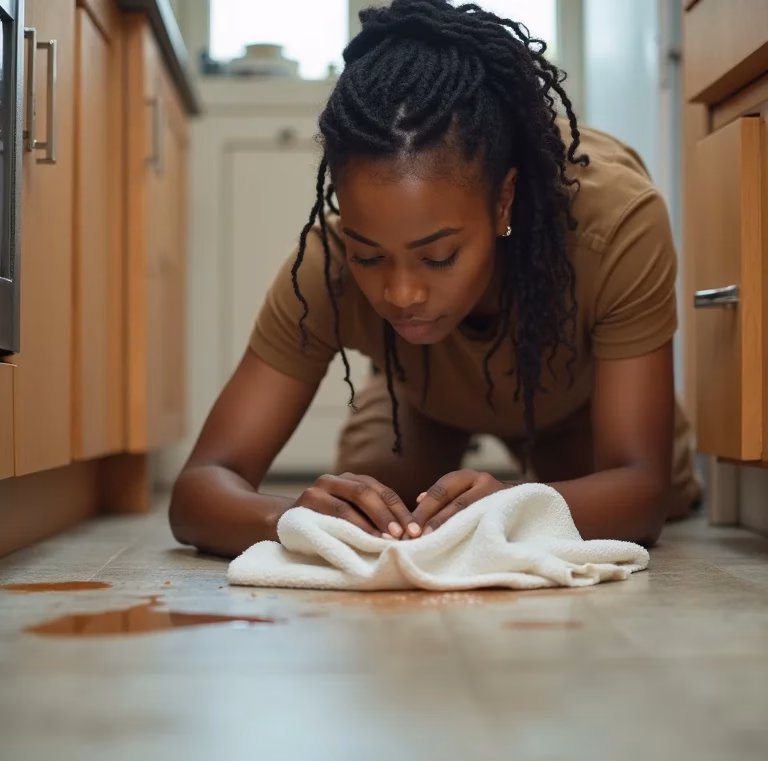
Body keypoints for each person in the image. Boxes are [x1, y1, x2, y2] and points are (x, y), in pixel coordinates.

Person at [169, 0, 702, 558]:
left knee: (610, 502)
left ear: (503, 202)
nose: (400, 295)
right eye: (369, 257)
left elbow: (641, 491)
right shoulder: (325, 264)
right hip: (421, 402)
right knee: (379, 500)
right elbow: (200, 488)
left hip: (581, 406)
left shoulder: (614, 226)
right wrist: (289, 517)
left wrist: (512, 505)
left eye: (440, 256)